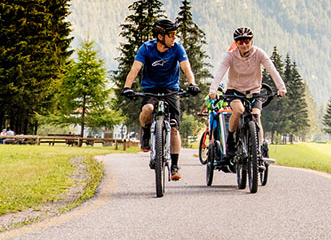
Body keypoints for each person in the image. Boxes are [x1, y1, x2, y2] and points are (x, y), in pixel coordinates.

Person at [122, 18, 200, 180]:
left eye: (175, 34)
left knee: (174, 128)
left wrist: (192, 83)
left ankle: (175, 166)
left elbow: (186, 67)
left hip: (171, 90)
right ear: (160, 36)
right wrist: (127, 87)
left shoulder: (177, 48)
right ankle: (145, 132)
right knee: (147, 110)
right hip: (151, 89)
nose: (174, 38)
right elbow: (135, 68)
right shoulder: (146, 48)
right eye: (171, 34)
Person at [209, 27, 286, 164]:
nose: (244, 44)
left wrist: (281, 88)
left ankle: (259, 150)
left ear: (251, 40)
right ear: (236, 43)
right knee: (238, 110)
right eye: (240, 41)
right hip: (234, 91)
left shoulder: (259, 54)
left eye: (246, 40)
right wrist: (213, 90)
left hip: (254, 91)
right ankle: (231, 139)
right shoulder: (231, 56)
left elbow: (272, 70)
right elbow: (220, 72)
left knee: (256, 116)